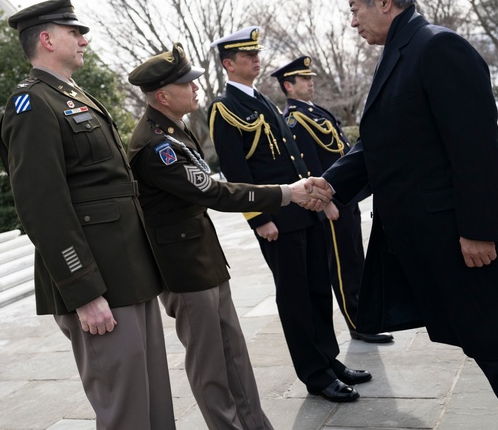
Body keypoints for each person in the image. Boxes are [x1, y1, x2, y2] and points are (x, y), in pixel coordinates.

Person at [321, 0, 498, 429]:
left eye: (355, 9)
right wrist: (330, 184)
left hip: (465, 243)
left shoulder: (436, 47)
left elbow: (475, 147)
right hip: (438, 243)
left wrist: (479, 231)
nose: (352, 21)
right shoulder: (402, 51)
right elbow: (381, 143)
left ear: (384, 0)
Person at [126, 43, 335, 430]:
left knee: (234, 357)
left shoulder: (173, 129)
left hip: (203, 261)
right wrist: (286, 193)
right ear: (163, 95)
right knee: (211, 368)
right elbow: (213, 192)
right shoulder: (157, 145)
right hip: (185, 271)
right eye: (186, 83)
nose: (195, 88)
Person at [0, 0, 175, 430]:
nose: (84, 40)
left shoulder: (70, 95)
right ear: (46, 39)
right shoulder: (32, 103)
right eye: (74, 32)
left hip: (128, 274)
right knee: (125, 413)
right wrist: (83, 292)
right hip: (98, 284)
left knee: (153, 405)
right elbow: (42, 206)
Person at [207, 26, 370, 403]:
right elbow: (236, 171)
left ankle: (329, 361)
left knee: (316, 290)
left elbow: (293, 159)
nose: (256, 58)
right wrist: (258, 218)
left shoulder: (261, 99)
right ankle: (314, 374)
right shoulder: (225, 107)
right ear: (229, 63)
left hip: (303, 212)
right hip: (277, 219)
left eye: (256, 53)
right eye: (247, 55)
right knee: (296, 297)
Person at [270, 56, 393, 344]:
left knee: (355, 258)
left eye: (310, 77)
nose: (311, 81)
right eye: (303, 79)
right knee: (343, 264)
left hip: (346, 197)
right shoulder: (294, 119)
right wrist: (326, 202)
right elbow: (309, 166)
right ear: (288, 85)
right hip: (331, 202)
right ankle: (358, 323)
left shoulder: (315, 111)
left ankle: (368, 316)